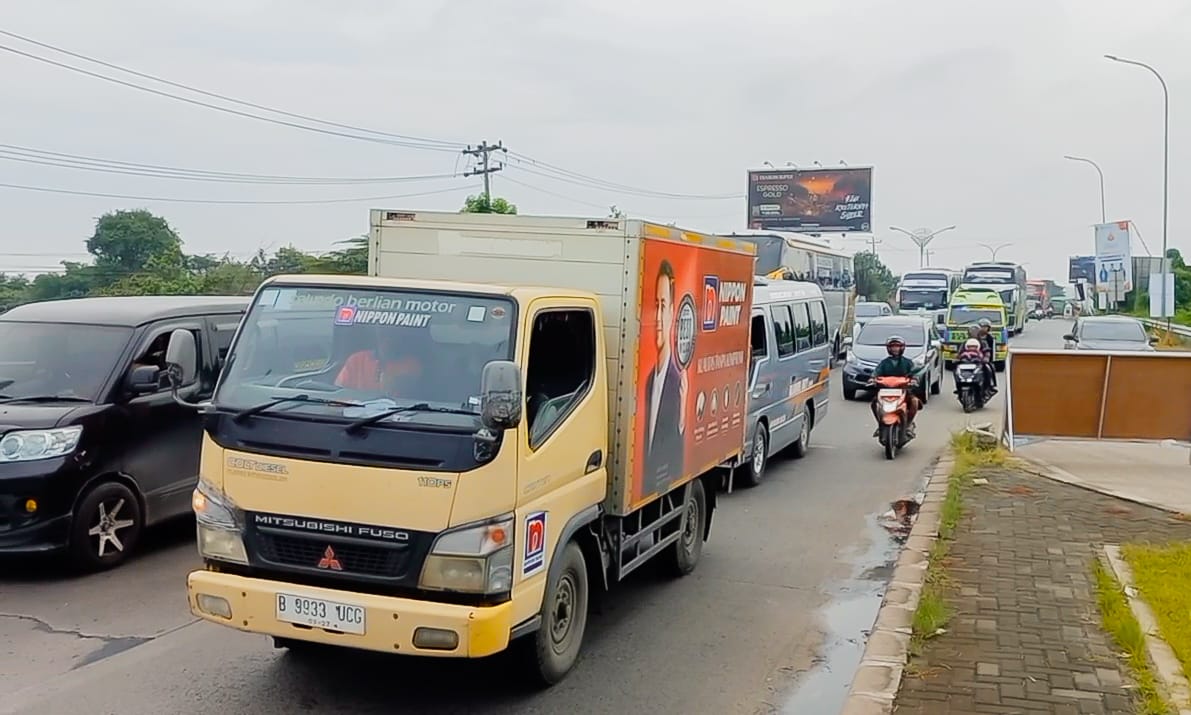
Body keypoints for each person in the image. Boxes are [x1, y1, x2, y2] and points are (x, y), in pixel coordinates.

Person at [643, 259, 688, 497]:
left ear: (673, 312)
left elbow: (678, 465)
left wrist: (681, 420)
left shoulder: (677, 381)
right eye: (655, 306)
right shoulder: (648, 380)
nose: (658, 317)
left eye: (664, 306)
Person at [335, 327, 424, 394]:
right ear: (377, 337)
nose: (387, 340)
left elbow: (408, 394)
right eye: (384, 334)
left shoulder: (411, 365)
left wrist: (393, 382)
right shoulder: (356, 360)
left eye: (392, 335)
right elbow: (339, 393)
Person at [869, 335, 919, 437]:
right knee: (874, 403)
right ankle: (880, 425)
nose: (895, 349)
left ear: (902, 348)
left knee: (915, 402)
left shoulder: (907, 362)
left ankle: (908, 425)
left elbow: (915, 373)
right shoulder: (884, 362)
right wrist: (872, 379)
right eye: (893, 347)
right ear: (889, 348)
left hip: (903, 391)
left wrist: (914, 379)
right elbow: (876, 372)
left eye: (897, 346)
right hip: (885, 391)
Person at [975, 319, 998, 393]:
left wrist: (990, 360)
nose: (983, 328)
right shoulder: (974, 337)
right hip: (974, 357)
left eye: (985, 327)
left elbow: (992, 350)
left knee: (989, 369)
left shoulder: (990, 338)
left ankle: (990, 385)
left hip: (985, 358)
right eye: (982, 326)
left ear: (988, 328)